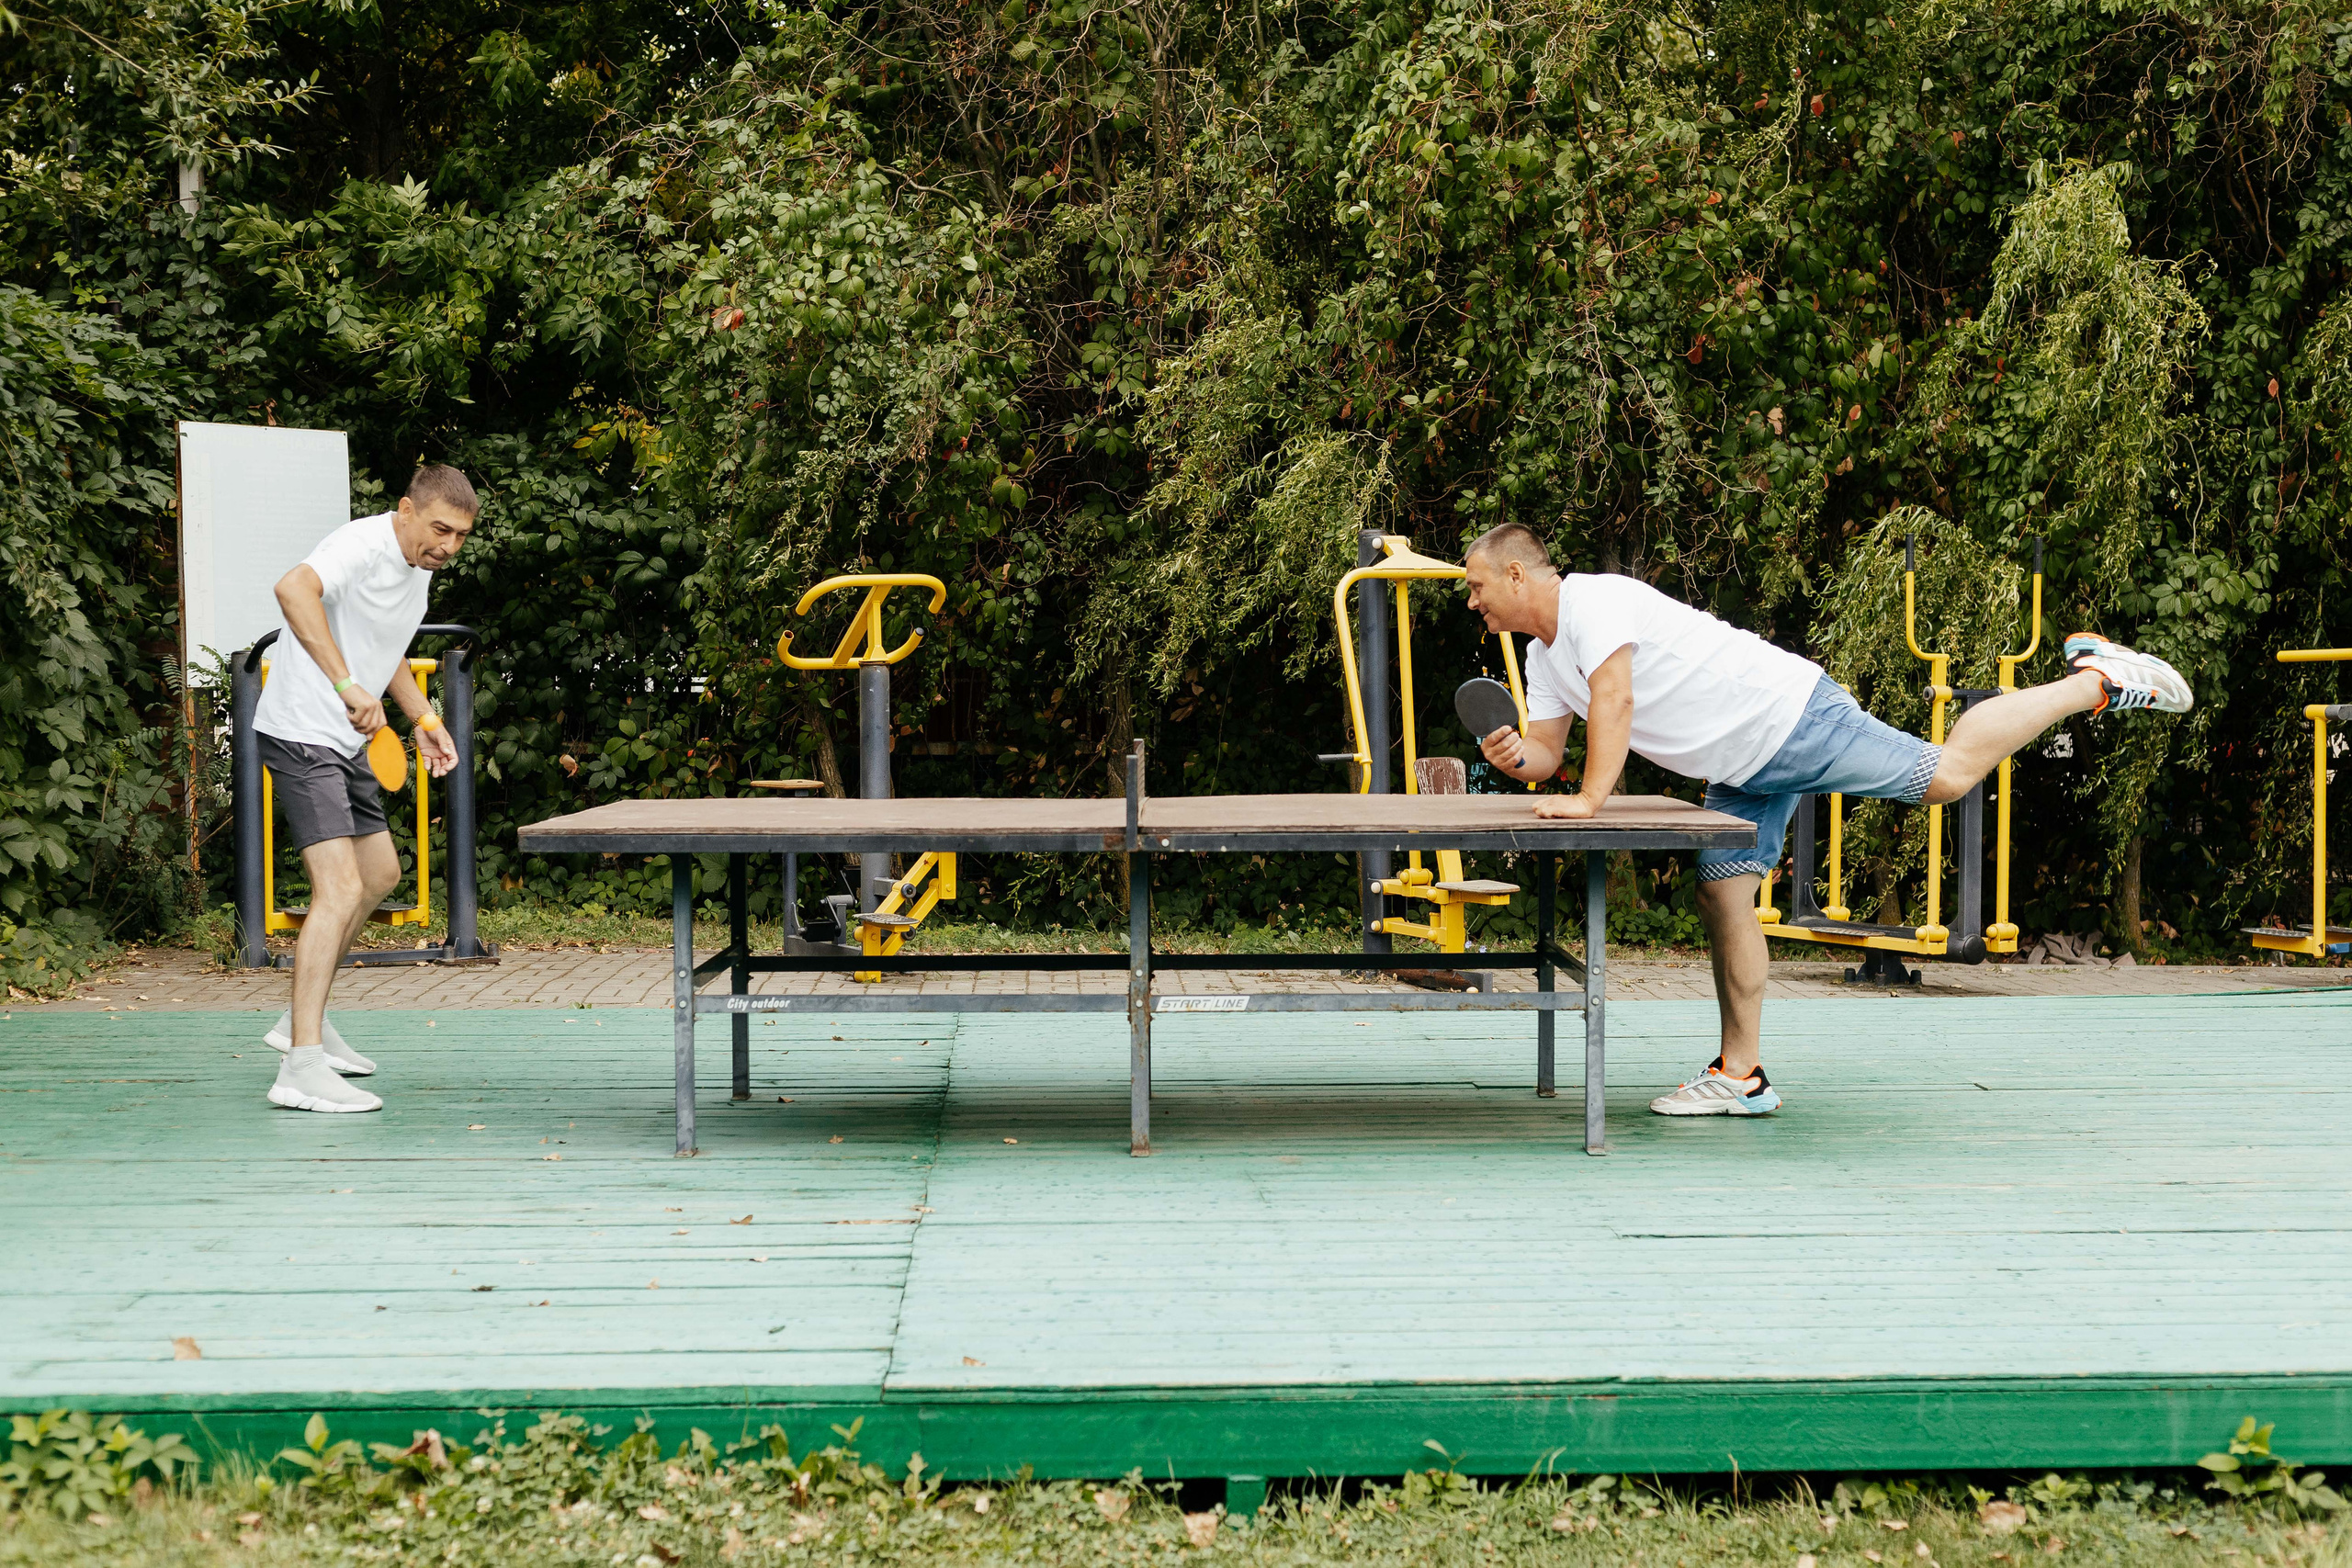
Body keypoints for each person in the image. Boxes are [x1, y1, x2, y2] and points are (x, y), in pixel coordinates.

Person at [1459, 522, 2188, 1119]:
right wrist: (1513, 752)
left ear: (1518, 574)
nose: (1472, 601)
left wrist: (1591, 801)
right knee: (1721, 892)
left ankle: (2091, 678)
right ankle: (1740, 1075)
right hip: (1742, 764)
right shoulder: (1543, 654)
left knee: (1946, 775)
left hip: (1789, 718)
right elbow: (1547, 756)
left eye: (1477, 585)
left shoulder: (1594, 602)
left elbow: (1613, 702)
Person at [253, 465, 479, 1112]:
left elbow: (390, 646)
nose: (449, 545)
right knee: (340, 886)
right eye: (440, 528)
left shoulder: (420, 570)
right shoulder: (361, 544)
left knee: (379, 872)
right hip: (303, 730)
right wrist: (345, 683)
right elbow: (292, 589)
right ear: (406, 510)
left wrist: (424, 718)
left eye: (461, 535)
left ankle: (308, 1019)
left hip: (344, 738)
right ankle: (299, 1065)